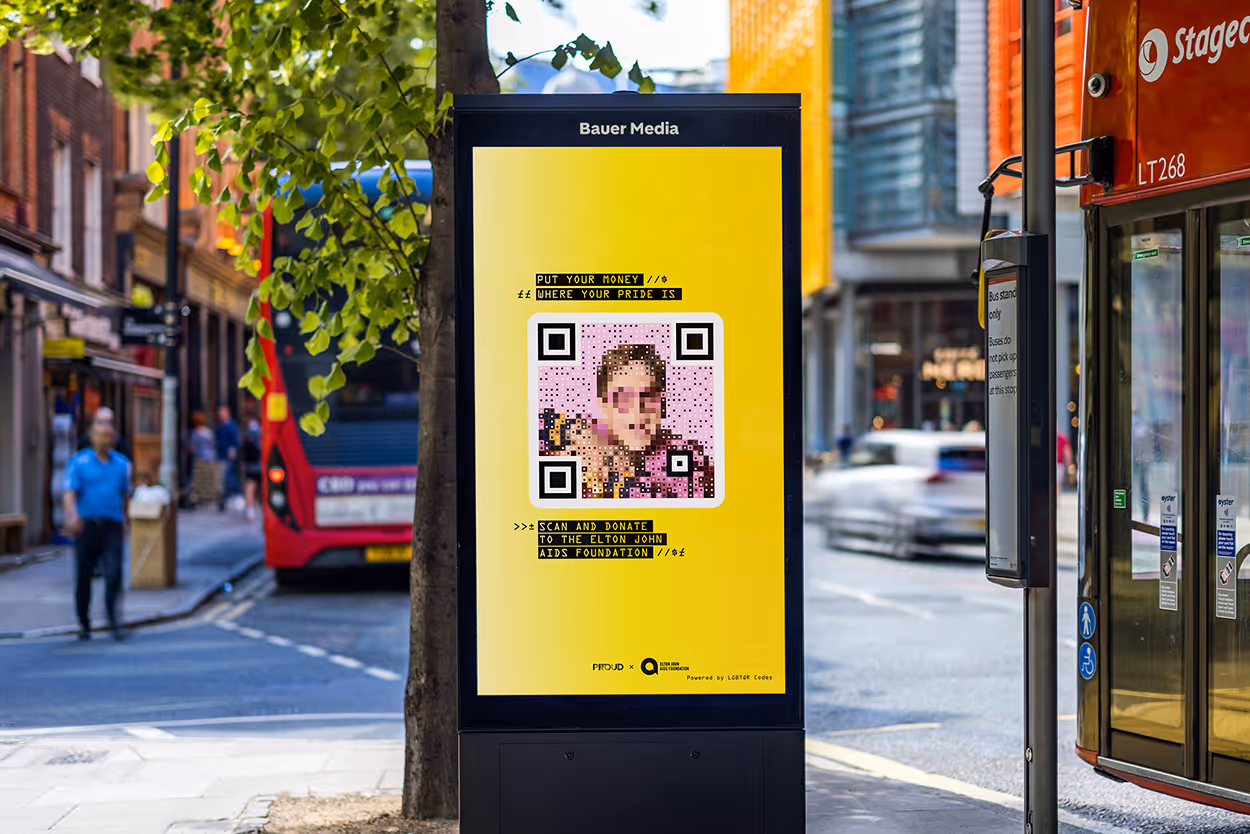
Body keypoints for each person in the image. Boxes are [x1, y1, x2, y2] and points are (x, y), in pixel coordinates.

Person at [539, 343, 713, 499]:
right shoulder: (582, 434)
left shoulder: (684, 455)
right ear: (603, 403)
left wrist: (617, 472)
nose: (637, 410)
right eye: (622, 398)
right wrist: (568, 439)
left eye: (649, 396)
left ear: (663, 401)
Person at [63, 415, 132, 641]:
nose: (106, 438)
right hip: (87, 526)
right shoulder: (79, 462)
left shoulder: (121, 464)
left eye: (109, 435)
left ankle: (113, 620)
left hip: (112, 524)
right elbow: (69, 493)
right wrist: (72, 516)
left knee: (114, 574)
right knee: (84, 575)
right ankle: (84, 623)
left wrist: (125, 520)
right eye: (102, 435)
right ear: (92, 437)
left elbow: (124, 496)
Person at [188, 411, 220, 508]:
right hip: (210, 457)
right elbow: (213, 443)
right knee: (210, 479)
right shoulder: (208, 432)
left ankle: (196, 498)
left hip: (200, 458)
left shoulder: (195, 434)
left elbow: (192, 447)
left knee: (198, 480)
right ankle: (211, 496)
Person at [215, 405, 241, 511]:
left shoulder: (231, 425)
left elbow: (236, 439)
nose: (221, 415)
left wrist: (233, 449)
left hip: (228, 455)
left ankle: (236, 494)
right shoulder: (219, 426)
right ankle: (225, 499)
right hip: (221, 454)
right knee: (224, 477)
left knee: (227, 476)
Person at [241, 417, 262, 520]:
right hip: (261, 463)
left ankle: (250, 509)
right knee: (261, 487)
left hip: (251, 464)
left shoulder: (247, 433)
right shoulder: (261, 431)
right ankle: (259, 507)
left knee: (250, 486)